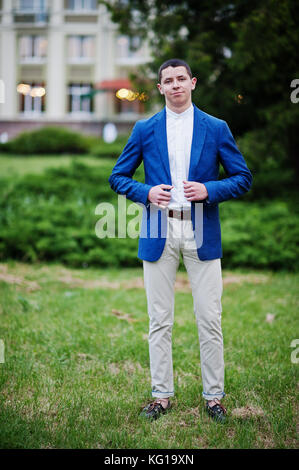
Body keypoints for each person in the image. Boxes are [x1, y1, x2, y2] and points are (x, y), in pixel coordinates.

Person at [108, 58, 252, 423]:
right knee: (159, 319)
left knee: (209, 317)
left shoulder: (216, 127)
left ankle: (214, 398)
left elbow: (242, 177)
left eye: (180, 79)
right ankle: (161, 395)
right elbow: (118, 176)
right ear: (159, 88)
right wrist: (145, 191)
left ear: (193, 83)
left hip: (202, 229)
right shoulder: (144, 128)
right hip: (159, 230)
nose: (174, 85)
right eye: (167, 81)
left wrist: (209, 189)